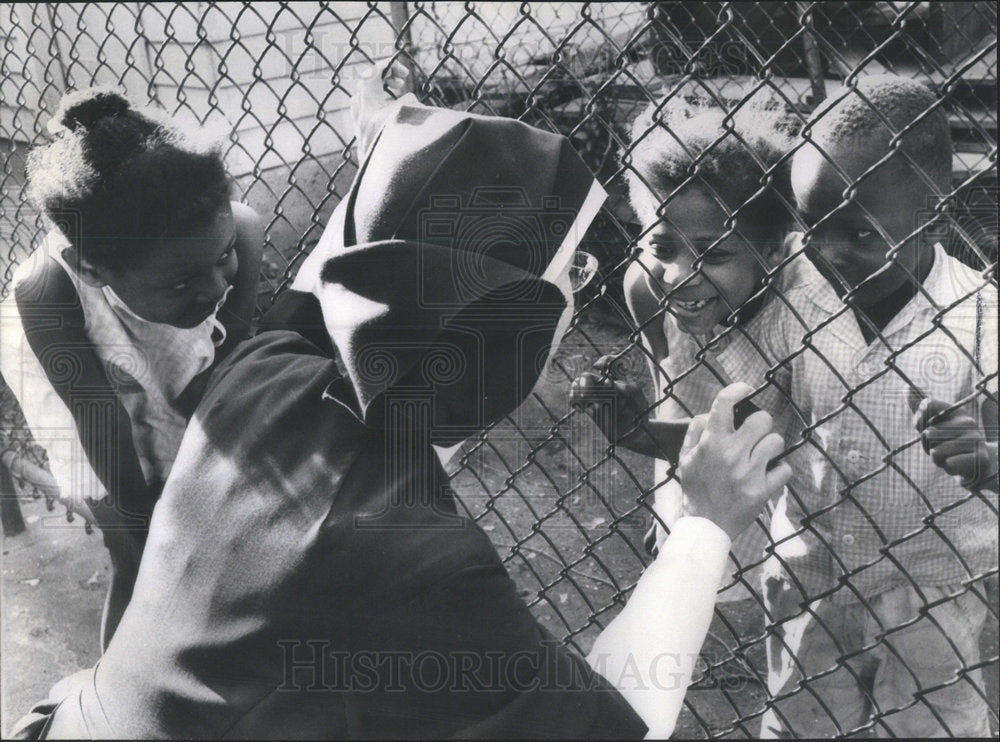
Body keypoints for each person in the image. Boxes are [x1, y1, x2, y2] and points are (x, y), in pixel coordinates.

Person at [10, 68, 792, 739]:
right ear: (503, 315)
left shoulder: (263, 368)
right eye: (573, 274)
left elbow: (353, 270)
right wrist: (706, 523)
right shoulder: (417, 559)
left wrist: (393, 154)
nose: (580, 293)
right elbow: (622, 719)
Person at [719, 74, 997, 737]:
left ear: (933, 214)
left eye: (862, 234)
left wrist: (985, 460)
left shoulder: (981, 315)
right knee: (801, 724)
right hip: (809, 570)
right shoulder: (793, 292)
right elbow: (753, 416)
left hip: (932, 586)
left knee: (933, 726)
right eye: (813, 225)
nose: (829, 251)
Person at [0, 87, 264, 646]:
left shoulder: (233, 232)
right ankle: (119, 699)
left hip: (163, 345)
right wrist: (145, 526)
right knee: (134, 553)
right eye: (185, 280)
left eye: (222, 263)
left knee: (207, 508)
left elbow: (227, 344)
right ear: (91, 268)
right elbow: (99, 417)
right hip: (89, 387)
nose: (217, 286)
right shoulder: (47, 293)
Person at [570, 93, 798, 601]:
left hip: (773, 486)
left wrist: (635, 434)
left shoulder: (799, 314)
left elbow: (758, 450)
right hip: (692, 466)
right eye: (662, 247)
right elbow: (669, 388)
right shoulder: (643, 289)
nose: (679, 276)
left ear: (770, 249)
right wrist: (667, 501)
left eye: (714, 253)